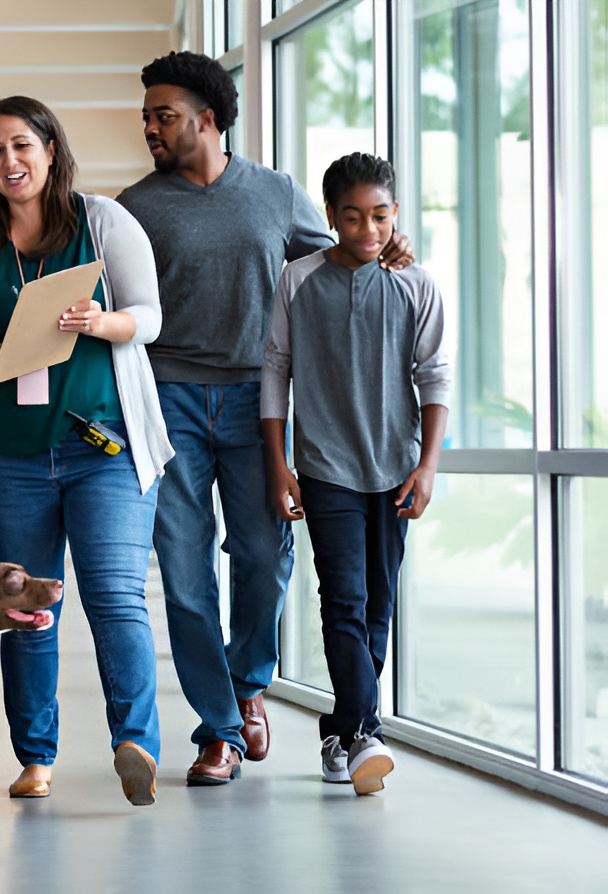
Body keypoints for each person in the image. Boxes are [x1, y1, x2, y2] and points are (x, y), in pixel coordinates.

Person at [116, 51, 414, 785]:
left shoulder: (276, 194)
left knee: (261, 557)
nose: (149, 125)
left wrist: (393, 250)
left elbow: (341, 256)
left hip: (260, 404)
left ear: (209, 119)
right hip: (169, 402)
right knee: (185, 575)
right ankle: (218, 729)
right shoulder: (136, 207)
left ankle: (249, 680)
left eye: (164, 114)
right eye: (147, 114)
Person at [0, 95, 174, 806]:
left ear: (49, 149)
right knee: (26, 611)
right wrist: (5, 351)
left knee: (114, 595)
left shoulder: (103, 221)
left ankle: (135, 744)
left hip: (102, 446)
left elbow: (150, 317)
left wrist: (99, 320)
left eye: (22, 145)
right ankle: (35, 757)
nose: (9, 161)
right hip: (15, 455)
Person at [261, 152, 450, 794]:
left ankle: (339, 728)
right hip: (325, 467)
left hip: (396, 466)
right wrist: (278, 462)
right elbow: (275, 370)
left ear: (395, 214)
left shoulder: (416, 283)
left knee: (379, 602)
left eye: (381, 216)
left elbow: (435, 375)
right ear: (332, 217)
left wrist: (428, 464)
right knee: (344, 599)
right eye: (353, 216)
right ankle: (368, 731)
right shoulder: (298, 279)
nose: (368, 230)